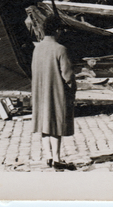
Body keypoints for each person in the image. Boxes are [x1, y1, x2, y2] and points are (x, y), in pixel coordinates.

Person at [31, 15, 77, 170]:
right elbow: (68, 76)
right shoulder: (61, 49)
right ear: (57, 30)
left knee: (44, 124)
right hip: (57, 93)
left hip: (40, 94)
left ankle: (48, 157)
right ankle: (57, 159)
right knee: (56, 124)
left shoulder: (37, 49)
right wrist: (72, 94)